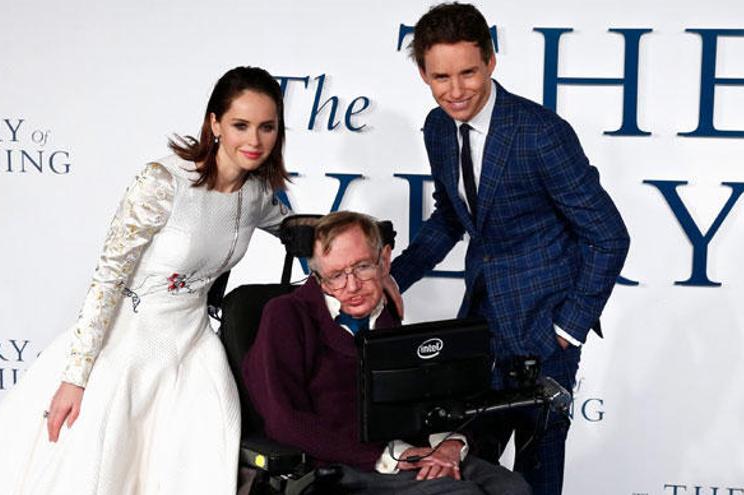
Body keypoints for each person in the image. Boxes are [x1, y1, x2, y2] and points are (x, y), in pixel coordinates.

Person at [0, 66, 292, 495]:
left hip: (193, 350)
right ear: (214, 123)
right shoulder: (163, 182)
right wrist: (76, 377)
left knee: (200, 459)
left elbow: (308, 234)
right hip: (129, 344)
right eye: (240, 125)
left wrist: (374, 259)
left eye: (267, 127)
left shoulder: (257, 195)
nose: (254, 141)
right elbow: (107, 279)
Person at [389, 4, 631, 495]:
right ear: (422, 74)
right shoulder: (437, 128)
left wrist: (570, 327)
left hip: (547, 328)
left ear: (491, 62)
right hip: (482, 323)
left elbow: (609, 234)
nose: (456, 91)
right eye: (441, 76)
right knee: (469, 460)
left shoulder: (539, 133)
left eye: (468, 73)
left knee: (537, 473)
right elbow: (452, 217)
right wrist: (394, 278)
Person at [243, 211, 532, 495]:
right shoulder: (286, 315)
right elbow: (284, 420)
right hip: (346, 463)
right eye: (336, 276)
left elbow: (425, 398)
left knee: (512, 487)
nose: (352, 286)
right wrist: (391, 456)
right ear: (318, 278)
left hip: (413, 449)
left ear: (384, 260)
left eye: (362, 267)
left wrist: (451, 443)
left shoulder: (384, 313)